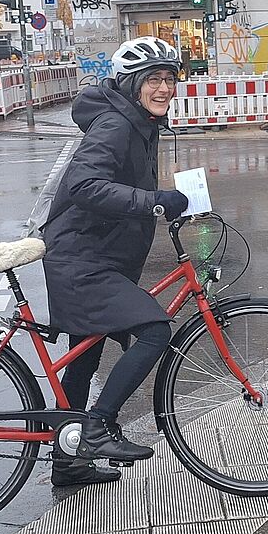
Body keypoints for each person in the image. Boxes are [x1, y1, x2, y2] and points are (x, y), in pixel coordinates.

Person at [40, 36, 189, 486]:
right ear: (131, 85)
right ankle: (98, 426)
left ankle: (68, 463)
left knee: (84, 360)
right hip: (81, 259)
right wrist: (153, 202)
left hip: (95, 253)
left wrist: (168, 204)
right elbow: (85, 185)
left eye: (169, 79)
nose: (163, 88)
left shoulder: (138, 122)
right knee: (154, 329)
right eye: (153, 80)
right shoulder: (116, 126)